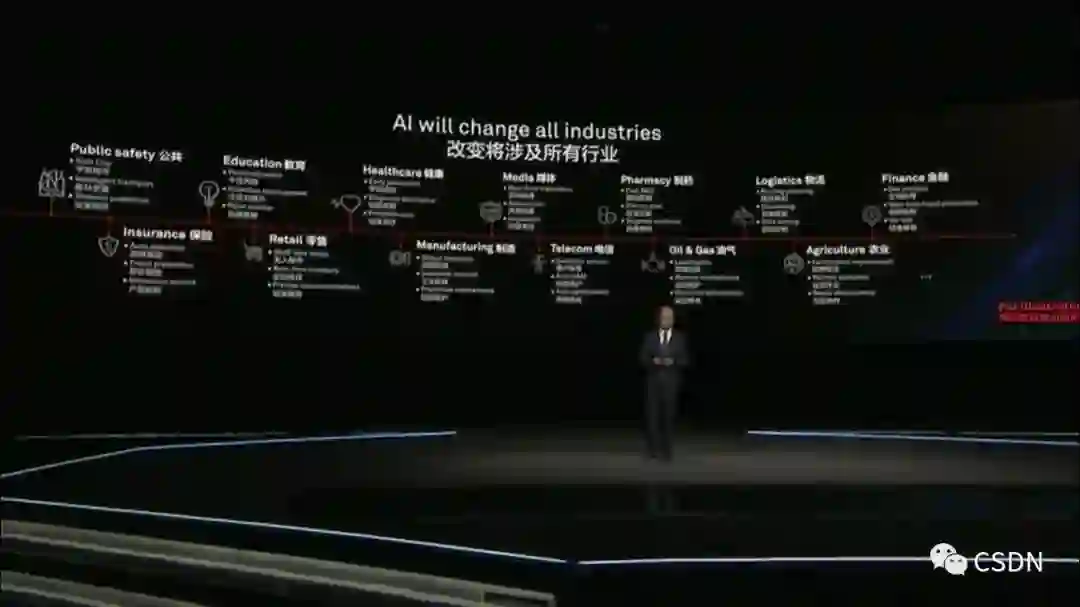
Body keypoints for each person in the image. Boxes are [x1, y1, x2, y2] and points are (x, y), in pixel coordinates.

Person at [638, 305, 689, 461]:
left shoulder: (680, 338)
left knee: (668, 417)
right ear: (659, 319)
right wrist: (654, 361)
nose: (667, 320)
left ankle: (667, 450)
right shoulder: (650, 337)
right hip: (653, 383)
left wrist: (672, 362)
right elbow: (642, 358)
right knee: (652, 417)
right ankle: (652, 450)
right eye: (664, 317)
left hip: (671, 384)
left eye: (670, 317)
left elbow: (685, 360)